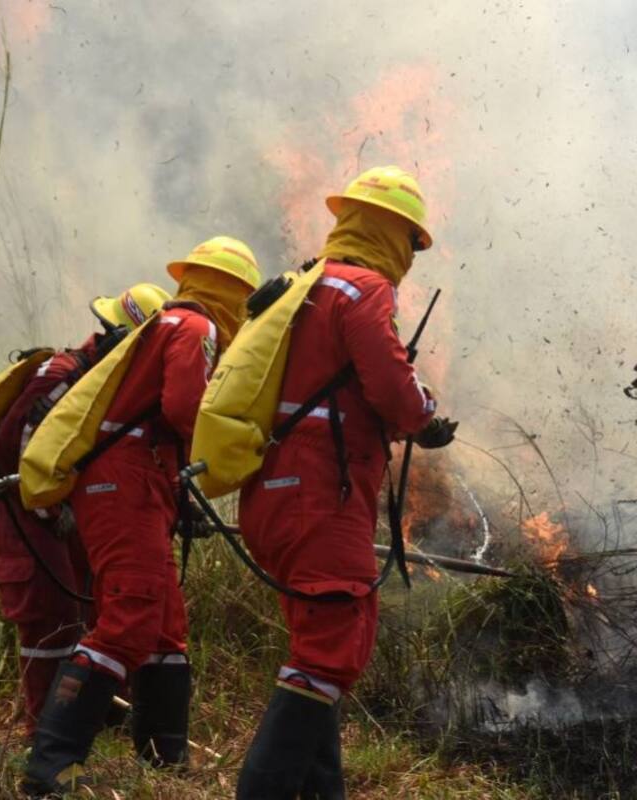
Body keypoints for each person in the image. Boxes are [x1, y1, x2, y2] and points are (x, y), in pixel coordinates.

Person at [235, 166, 457, 799]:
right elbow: (390, 386)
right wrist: (424, 415)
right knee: (331, 648)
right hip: (319, 490)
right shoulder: (360, 290)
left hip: (277, 489)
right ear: (390, 232)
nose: (410, 256)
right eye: (411, 242)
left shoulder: (302, 285)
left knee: (323, 643)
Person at [22, 237, 261, 798]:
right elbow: (183, 411)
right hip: (124, 481)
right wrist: (239, 441)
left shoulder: (167, 324)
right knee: (131, 611)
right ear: (235, 293)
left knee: (163, 622)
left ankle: (164, 758)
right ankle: (52, 762)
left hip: (137, 481)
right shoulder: (195, 330)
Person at [0, 282, 170, 738]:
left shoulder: (105, 381)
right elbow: (11, 447)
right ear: (120, 339)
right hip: (24, 509)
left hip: (60, 509)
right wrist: (51, 509)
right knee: (49, 614)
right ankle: (44, 732)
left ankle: (93, 715)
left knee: (92, 606)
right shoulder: (65, 374)